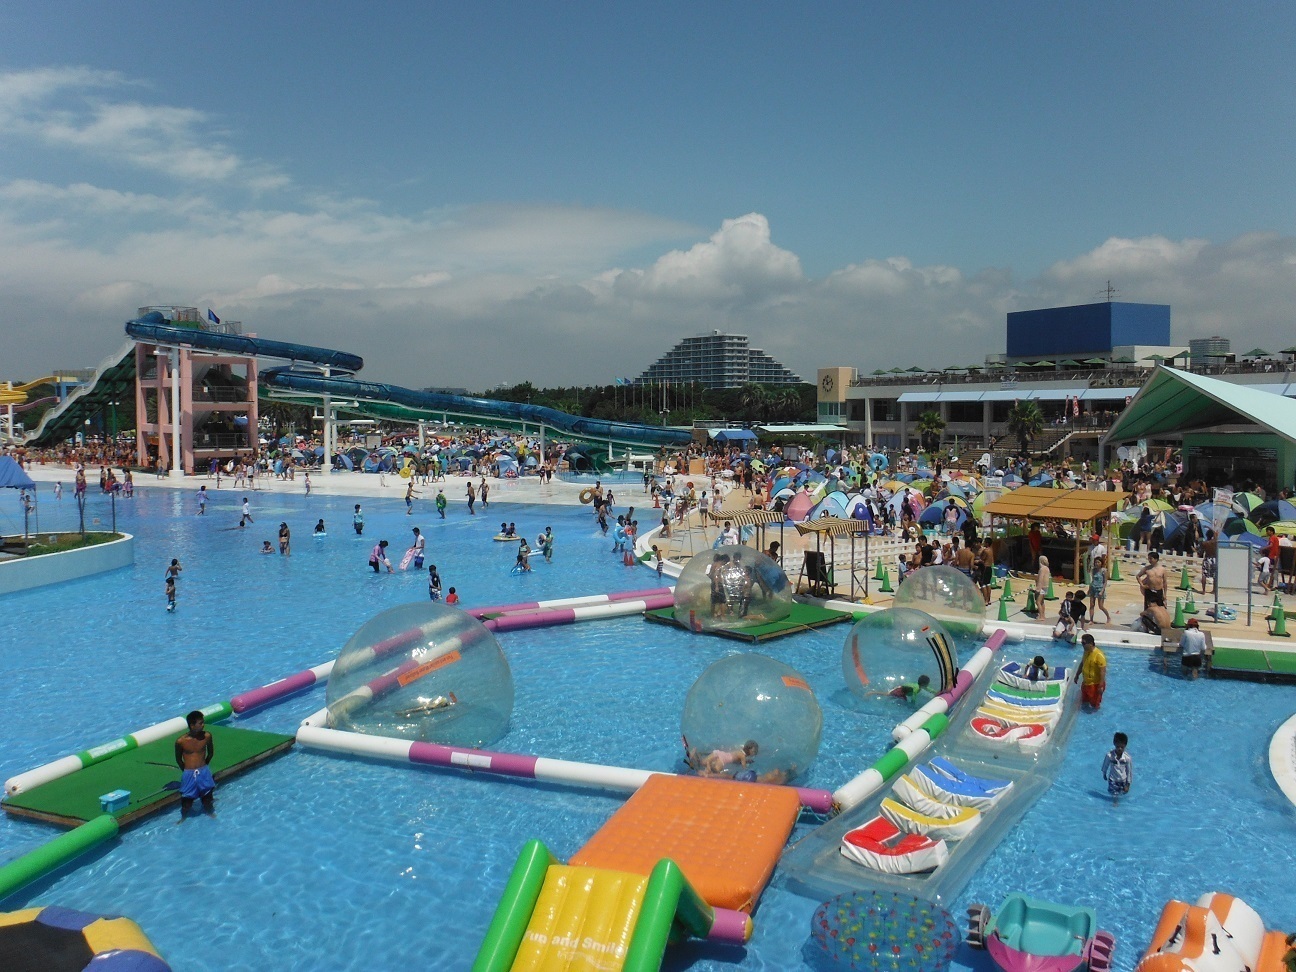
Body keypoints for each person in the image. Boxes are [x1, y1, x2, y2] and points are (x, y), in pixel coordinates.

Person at [175, 710, 215, 819]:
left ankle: (210, 813)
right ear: (192, 725)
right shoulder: (181, 741)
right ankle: (183, 817)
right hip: (188, 772)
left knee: (207, 798)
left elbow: (210, 753)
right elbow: (178, 759)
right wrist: (186, 771)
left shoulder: (207, 736)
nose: (203, 725)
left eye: (203, 722)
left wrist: (204, 766)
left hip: (203, 770)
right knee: (186, 802)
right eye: (200, 723)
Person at [1075, 634, 1107, 710]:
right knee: (1084, 702)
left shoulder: (1098, 655)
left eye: (1084, 643)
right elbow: (1082, 663)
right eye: (1082, 643)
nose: (1082, 645)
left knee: (1094, 705)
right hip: (1086, 683)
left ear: (1091, 644)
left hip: (1095, 685)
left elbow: (1103, 671)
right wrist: (1077, 675)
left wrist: (1100, 686)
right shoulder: (1086, 652)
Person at [1101, 731, 1132, 804]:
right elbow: (1105, 765)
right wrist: (1104, 773)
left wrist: (1128, 784)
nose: (1120, 749)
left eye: (1122, 747)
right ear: (1114, 744)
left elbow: (1129, 771)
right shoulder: (1109, 755)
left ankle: (1118, 800)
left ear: (1125, 745)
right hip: (1113, 779)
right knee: (1114, 793)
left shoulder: (1127, 758)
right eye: (1118, 747)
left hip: (1123, 780)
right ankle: (1115, 802)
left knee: (1123, 792)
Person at [1088, 555, 1112, 625]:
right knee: (1092, 605)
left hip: (1100, 588)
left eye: (1098, 562)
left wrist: (1102, 591)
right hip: (1093, 588)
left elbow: (1105, 582)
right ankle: (1091, 620)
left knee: (1100, 606)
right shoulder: (1093, 570)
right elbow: (1092, 580)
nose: (1097, 564)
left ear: (1101, 563)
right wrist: (1089, 589)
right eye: (1096, 562)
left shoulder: (1104, 571)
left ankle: (1108, 617)